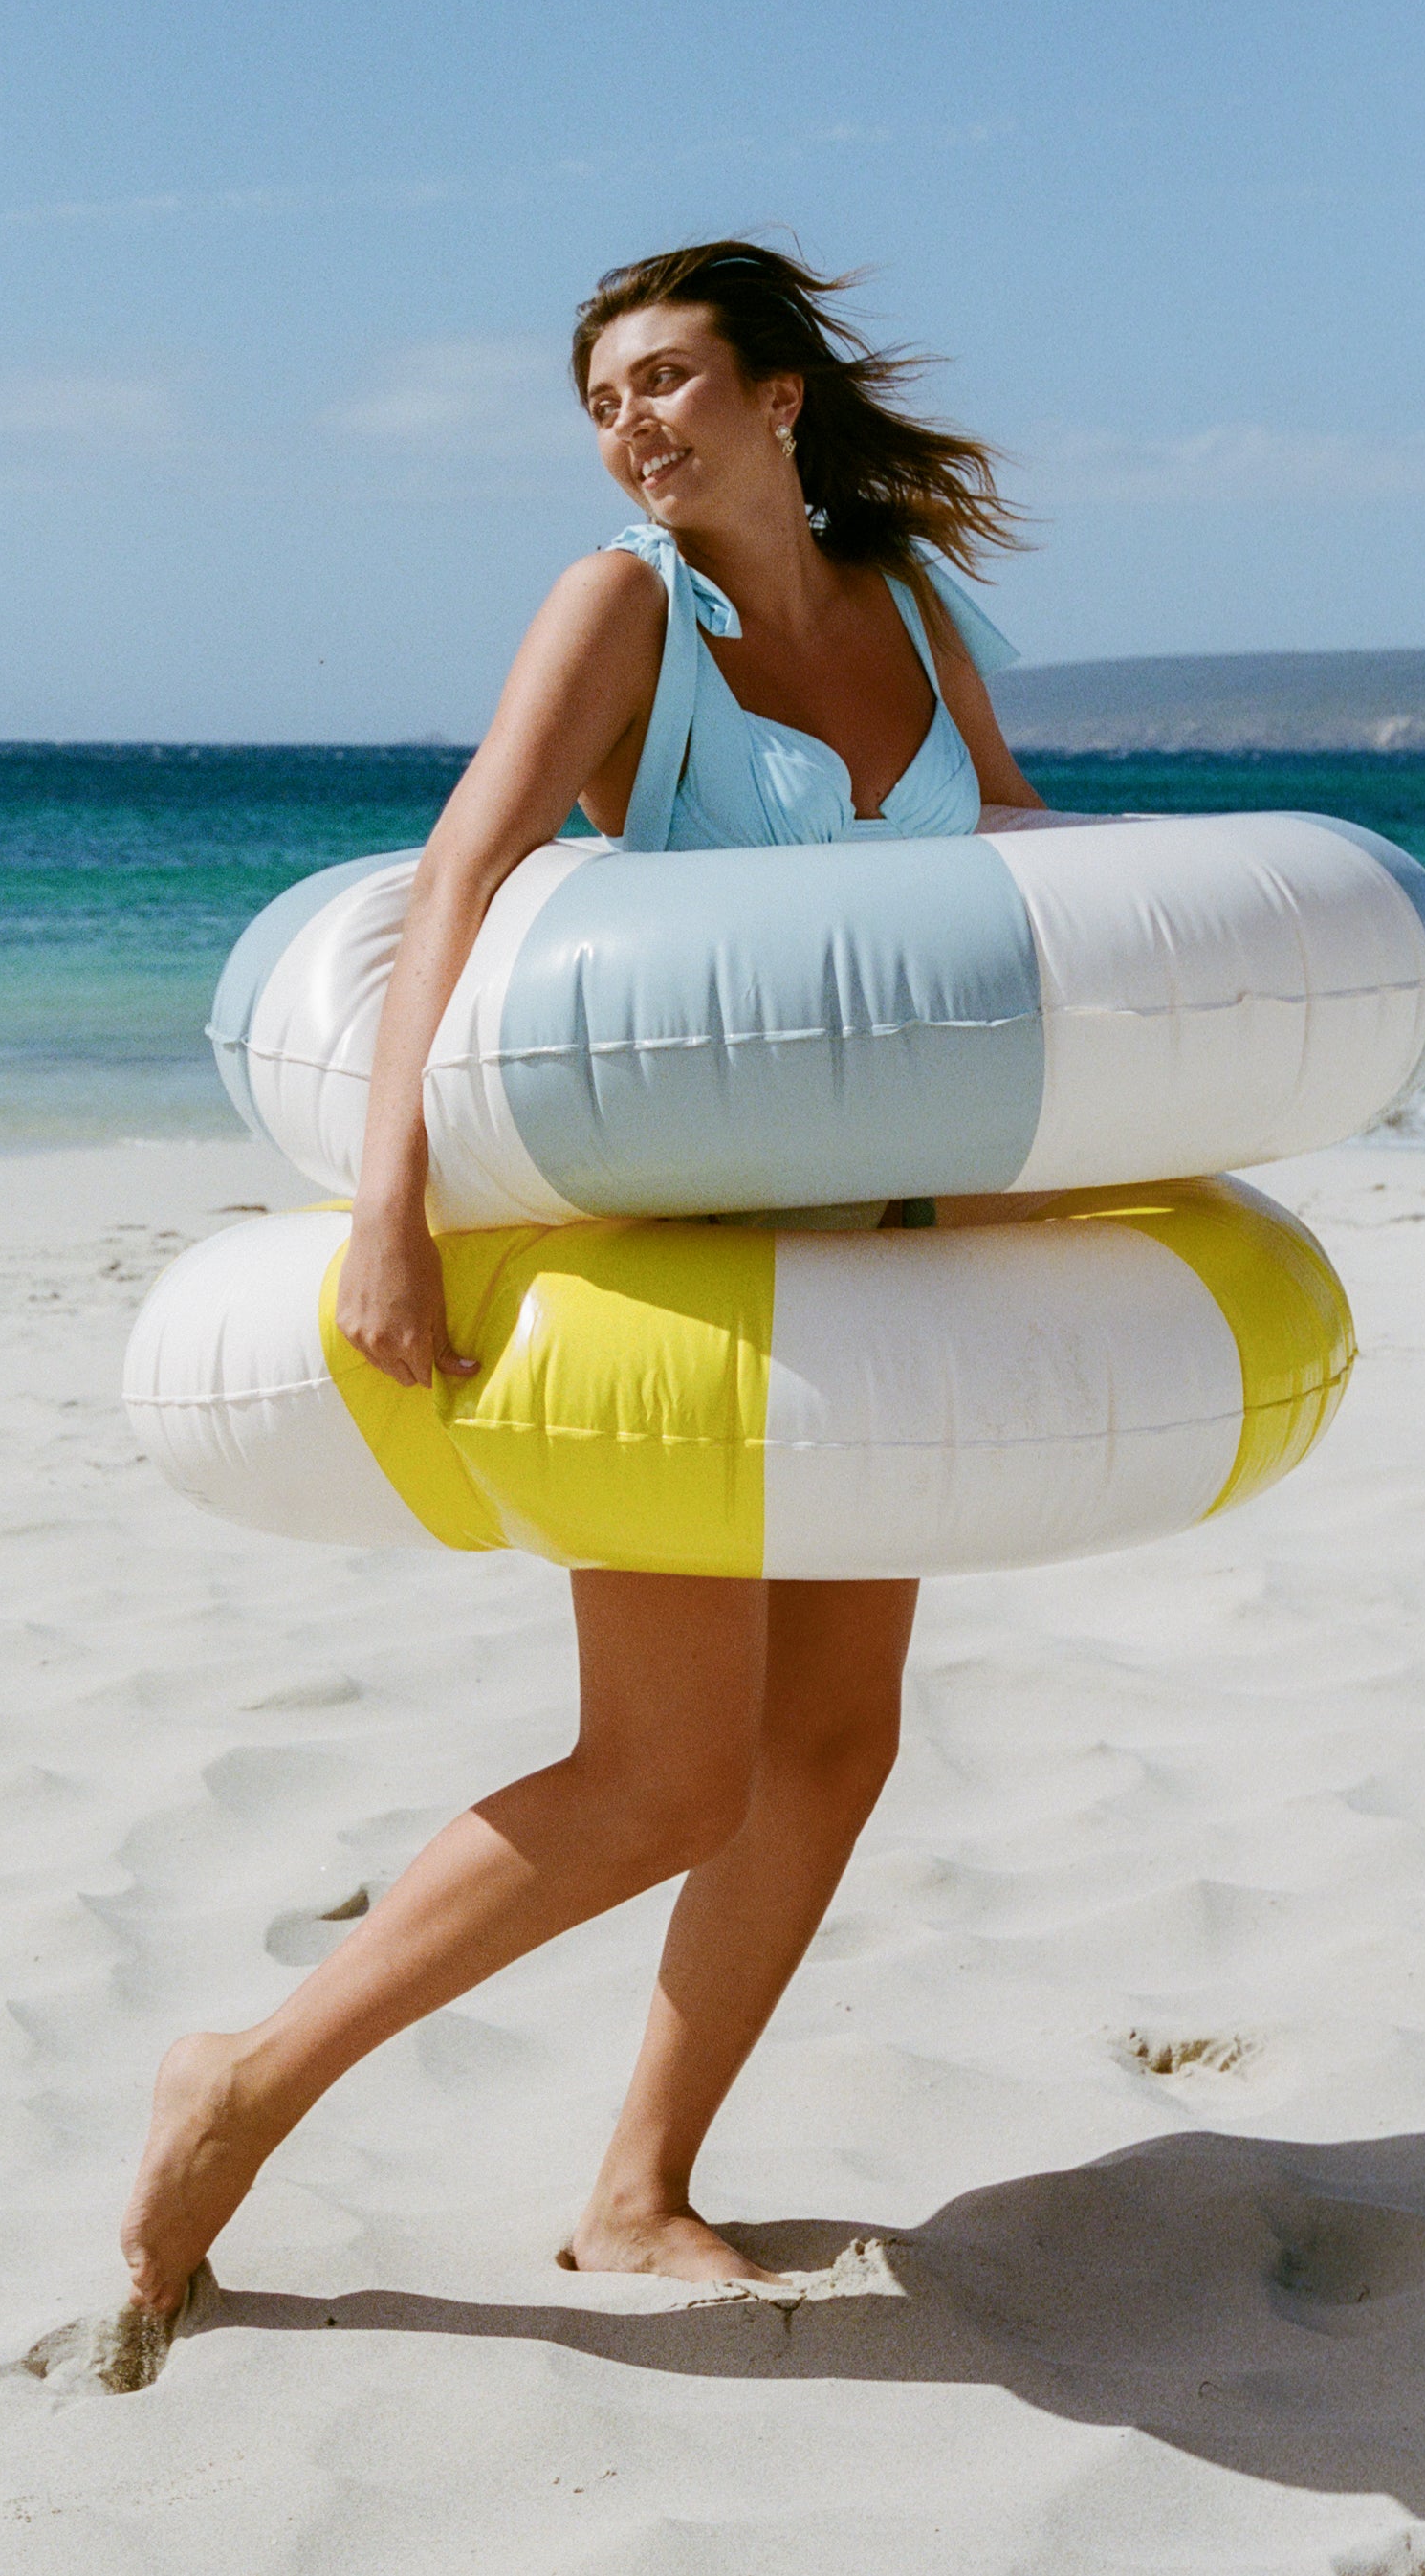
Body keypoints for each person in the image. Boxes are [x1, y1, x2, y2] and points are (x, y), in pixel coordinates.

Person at [121, 239, 1046, 2320]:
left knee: (835, 1744)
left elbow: (1010, 851)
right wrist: (392, 1205)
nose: (632, 427)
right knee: (657, 1774)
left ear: (779, 398)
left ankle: (639, 2184)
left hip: (872, 1265)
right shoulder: (625, 607)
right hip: (674, 1266)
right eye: (603, 397)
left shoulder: (911, 606)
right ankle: (242, 2080)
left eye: (667, 382)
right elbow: (469, 866)